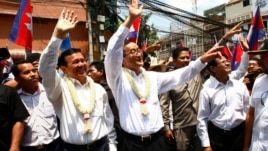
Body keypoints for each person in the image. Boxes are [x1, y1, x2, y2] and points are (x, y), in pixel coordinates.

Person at [104, 0, 223, 151]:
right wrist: (130, 20)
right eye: (132, 51)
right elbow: (113, 50)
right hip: (131, 143)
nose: (139, 53)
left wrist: (202, 60)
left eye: (138, 50)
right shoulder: (117, 78)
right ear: (122, 60)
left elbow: (182, 75)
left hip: (157, 142)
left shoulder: (153, 77)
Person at [38, 9, 117, 151]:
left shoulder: (98, 89)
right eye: (75, 62)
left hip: (102, 146)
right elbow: (45, 69)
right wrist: (57, 35)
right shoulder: (58, 88)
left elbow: (108, 119)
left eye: (83, 60)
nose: (81, 64)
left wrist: (112, 145)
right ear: (63, 69)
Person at [197, 53, 250, 151]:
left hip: (238, 135)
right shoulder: (207, 90)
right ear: (213, 69)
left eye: (227, 61)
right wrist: (206, 145)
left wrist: (246, 142)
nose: (227, 64)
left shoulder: (240, 86)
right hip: (217, 136)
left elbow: (248, 114)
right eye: (223, 62)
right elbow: (202, 118)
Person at [11, 60, 61, 151]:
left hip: (54, 146)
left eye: (34, 71)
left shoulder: (50, 93)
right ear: (18, 79)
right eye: (26, 72)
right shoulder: (14, 98)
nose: (33, 74)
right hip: (28, 147)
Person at [0, 48, 29, 151]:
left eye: (2, 64)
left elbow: (19, 120)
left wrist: (14, 146)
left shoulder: (7, 92)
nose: (2, 66)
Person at [243, 39, 268, 151]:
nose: (261, 61)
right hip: (257, 145)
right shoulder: (259, 81)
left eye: (264, 56)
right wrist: (245, 146)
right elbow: (251, 115)